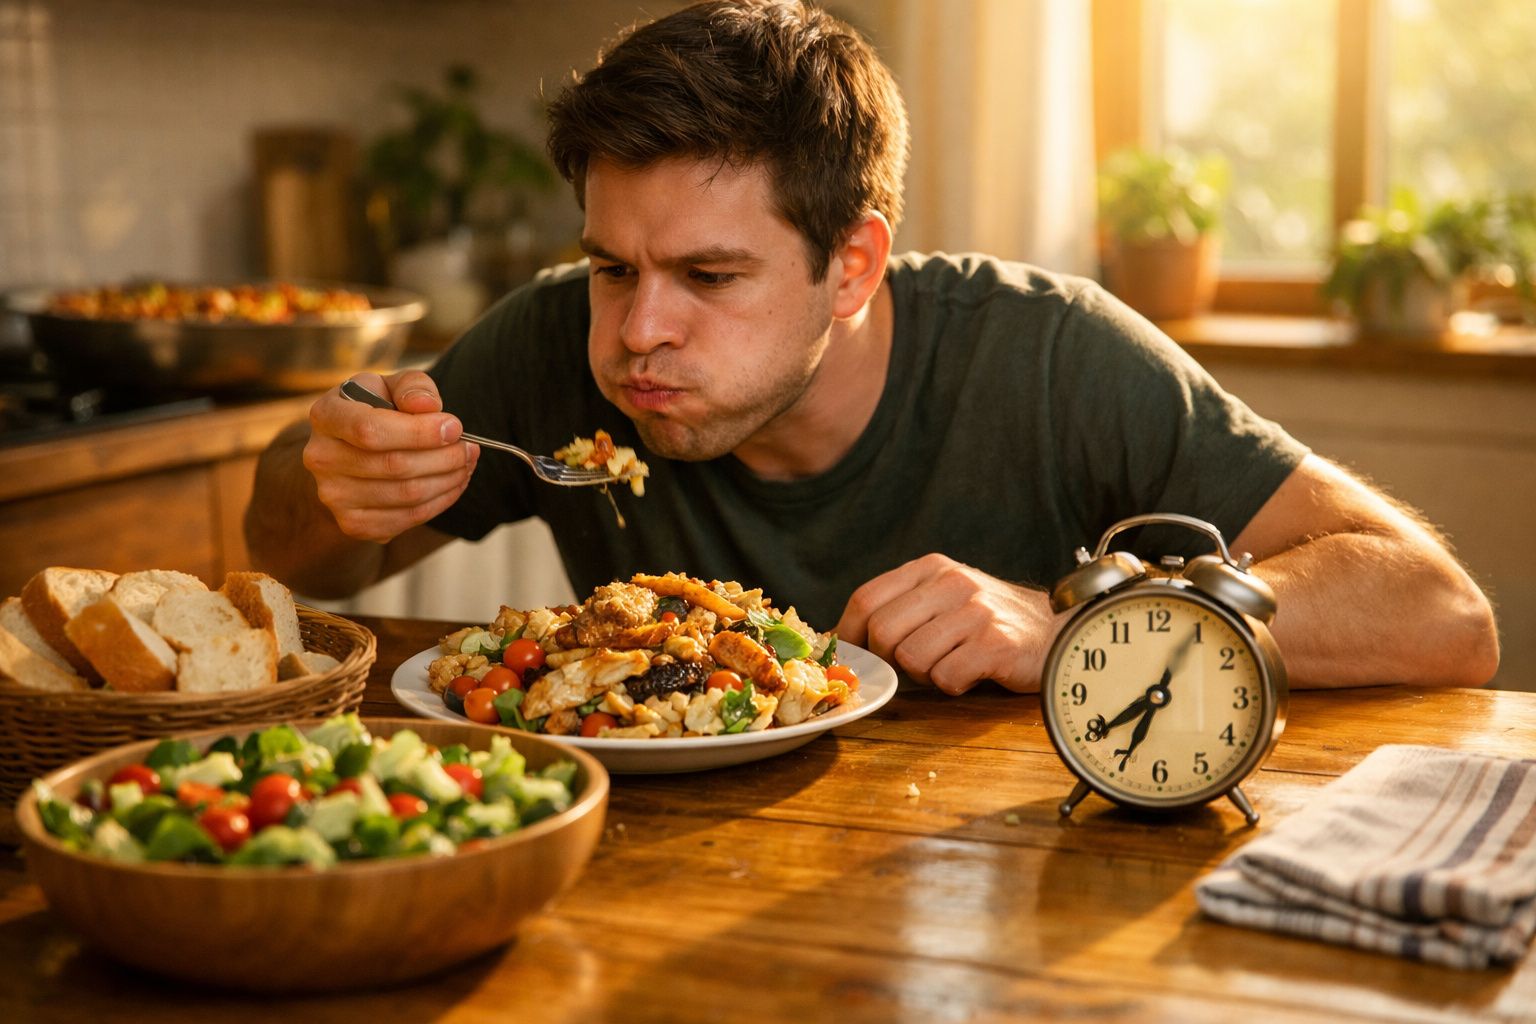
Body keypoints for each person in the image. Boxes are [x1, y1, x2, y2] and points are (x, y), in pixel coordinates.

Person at [246, 0, 1497, 694]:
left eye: (710, 275)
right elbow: (305, 559)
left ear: (851, 262)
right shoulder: (553, 341)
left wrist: (1085, 626)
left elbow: (1442, 611)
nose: (638, 330)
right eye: (613, 265)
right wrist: (334, 478)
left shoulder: (1051, 353)